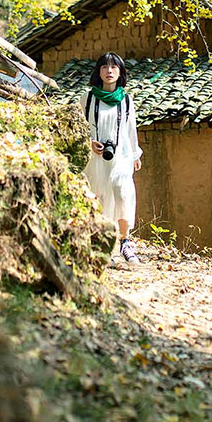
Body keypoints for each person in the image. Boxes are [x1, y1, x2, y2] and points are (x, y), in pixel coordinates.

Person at [79, 52, 143, 264]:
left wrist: (135, 154)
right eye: (105, 67)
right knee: (98, 198)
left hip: (121, 155)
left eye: (114, 67)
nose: (109, 71)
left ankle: (125, 242)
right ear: (98, 72)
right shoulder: (87, 98)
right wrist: (89, 142)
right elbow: (78, 126)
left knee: (122, 192)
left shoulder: (126, 100)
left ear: (120, 72)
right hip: (94, 158)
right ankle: (102, 245)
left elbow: (131, 129)